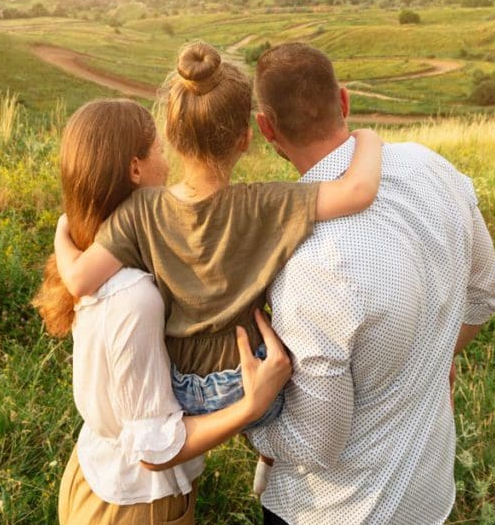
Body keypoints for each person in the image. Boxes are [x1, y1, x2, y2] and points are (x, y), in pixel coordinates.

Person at [248, 43, 495, 525]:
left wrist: (251, 421)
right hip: (425, 495)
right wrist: (434, 359)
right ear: (342, 101)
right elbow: (486, 291)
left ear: (266, 128)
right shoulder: (433, 168)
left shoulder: (307, 261)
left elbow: (316, 444)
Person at [53, 41, 383, 439]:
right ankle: (269, 454)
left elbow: (78, 281)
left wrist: (62, 231)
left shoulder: (140, 209)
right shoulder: (264, 203)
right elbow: (359, 190)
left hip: (180, 390)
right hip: (248, 380)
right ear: (246, 139)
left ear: (172, 138)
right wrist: (368, 138)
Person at [33, 99, 292, 525]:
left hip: (95, 472)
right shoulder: (134, 296)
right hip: (135, 512)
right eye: (157, 148)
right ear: (135, 168)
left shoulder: (91, 251)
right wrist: (252, 404)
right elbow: (155, 448)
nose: (167, 159)